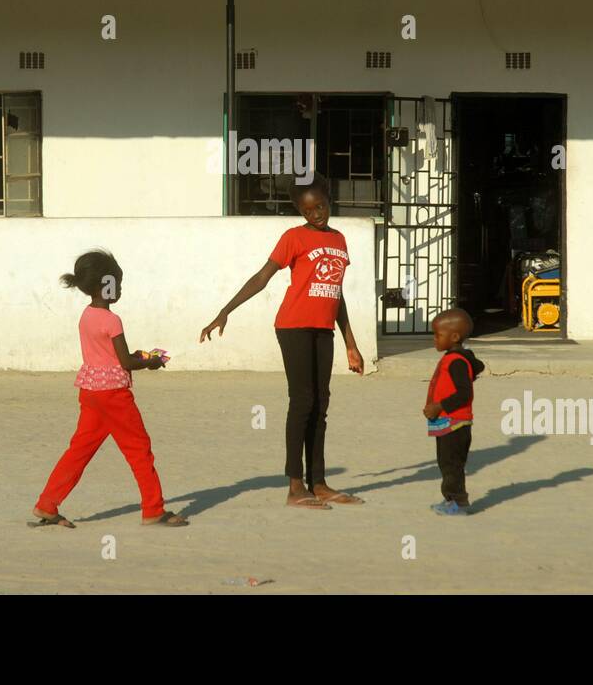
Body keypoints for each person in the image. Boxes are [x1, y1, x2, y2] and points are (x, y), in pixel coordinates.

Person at [200, 173, 365, 510]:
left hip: (323, 329)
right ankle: (295, 485)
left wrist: (351, 343)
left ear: (328, 200)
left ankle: (318, 483)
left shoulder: (339, 240)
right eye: (307, 211)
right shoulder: (293, 237)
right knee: (303, 401)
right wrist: (225, 310)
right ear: (300, 213)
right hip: (293, 326)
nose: (315, 214)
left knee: (321, 405)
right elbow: (263, 276)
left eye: (319, 206)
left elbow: (336, 294)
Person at [33, 249, 187, 528]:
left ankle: (47, 504)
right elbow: (125, 361)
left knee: (79, 450)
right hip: (115, 396)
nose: (120, 287)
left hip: (91, 393)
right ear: (106, 284)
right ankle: (153, 509)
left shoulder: (87, 315)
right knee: (139, 450)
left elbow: (108, 354)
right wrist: (150, 361)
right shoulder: (112, 320)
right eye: (118, 281)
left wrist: (139, 357)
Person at [424, 307, 485, 516]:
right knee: (446, 462)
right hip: (448, 422)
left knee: (452, 465)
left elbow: (464, 393)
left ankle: (458, 502)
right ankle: (450, 499)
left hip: (455, 422)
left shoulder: (457, 361)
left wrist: (439, 406)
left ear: (455, 336)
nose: (434, 339)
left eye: (437, 335)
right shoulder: (456, 357)